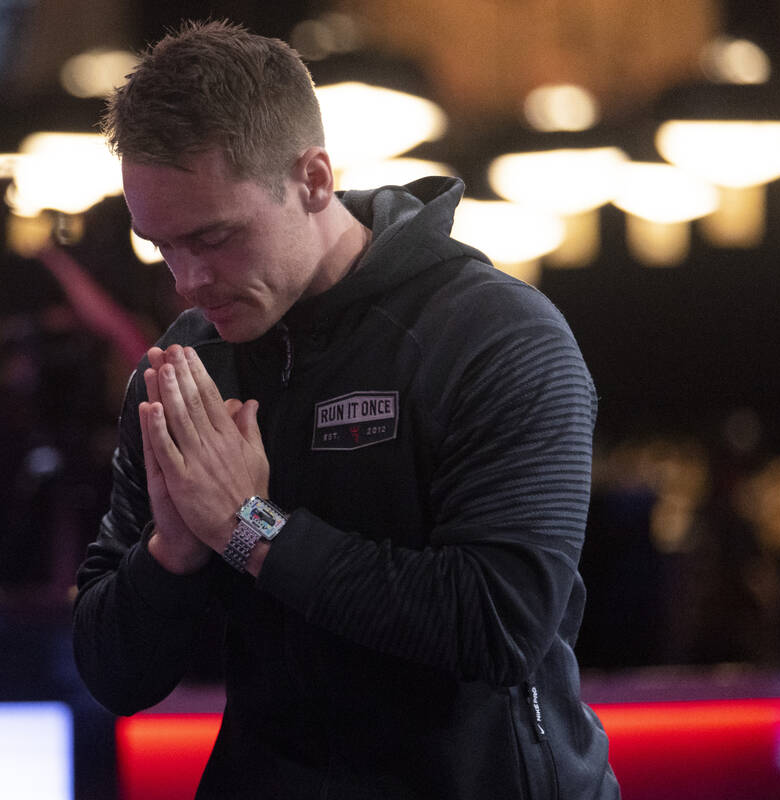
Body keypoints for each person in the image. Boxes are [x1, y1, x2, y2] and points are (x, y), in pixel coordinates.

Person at [72, 20, 620, 799]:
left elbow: (500, 623)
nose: (188, 278)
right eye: (162, 246)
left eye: (215, 237)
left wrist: (248, 528)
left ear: (315, 180)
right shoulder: (189, 371)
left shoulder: (495, 335)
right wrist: (173, 550)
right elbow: (113, 676)